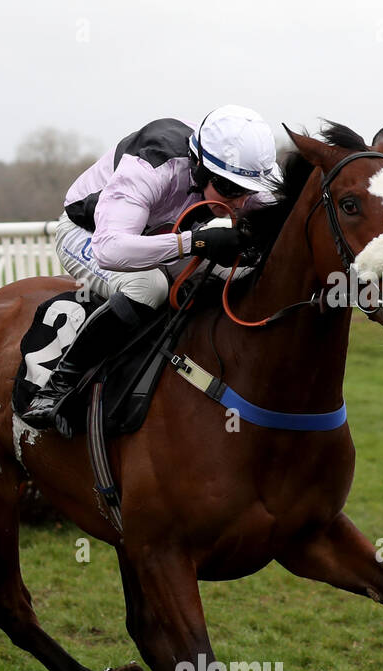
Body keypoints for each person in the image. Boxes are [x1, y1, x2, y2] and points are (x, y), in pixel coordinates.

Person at [19, 105, 281, 432]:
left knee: (240, 274)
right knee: (148, 286)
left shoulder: (243, 168)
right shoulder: (152, 167)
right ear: (199, 168)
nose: (240, 202)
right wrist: (195, 242)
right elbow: (111, 250)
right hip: (89, 234)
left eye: (248, 191)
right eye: (229, 189)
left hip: (155, 234)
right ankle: (58, 385)